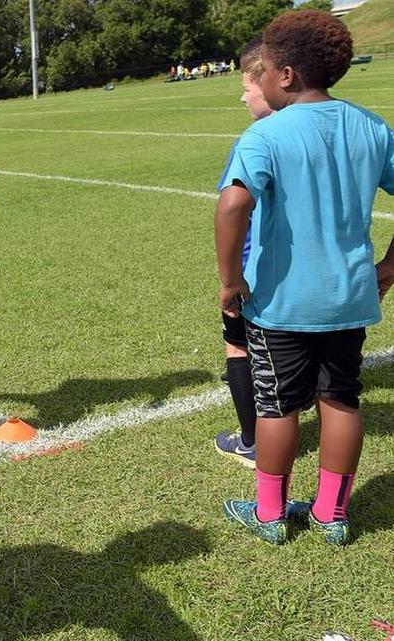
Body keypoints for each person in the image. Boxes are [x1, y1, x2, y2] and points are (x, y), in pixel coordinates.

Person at [215, 10, 394, 546]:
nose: (262, 78)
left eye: (265, 68)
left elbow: (232, 206)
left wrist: (230, 280)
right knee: (341, 400)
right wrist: (389, 267)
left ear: (287, 75)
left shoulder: (265, 134)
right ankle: (331, 514)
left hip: (281, 302)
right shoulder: (372, 127)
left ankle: (269, 514)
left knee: (277, 406)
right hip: (349, 296)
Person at [213, 35, 274, 469]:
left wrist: (231, 279)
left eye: (246, 87)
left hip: (254, 273)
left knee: (239, 348)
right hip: (317, 278)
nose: (242, 97)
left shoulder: (256, 141)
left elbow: (232, 207)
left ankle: (252, 442)